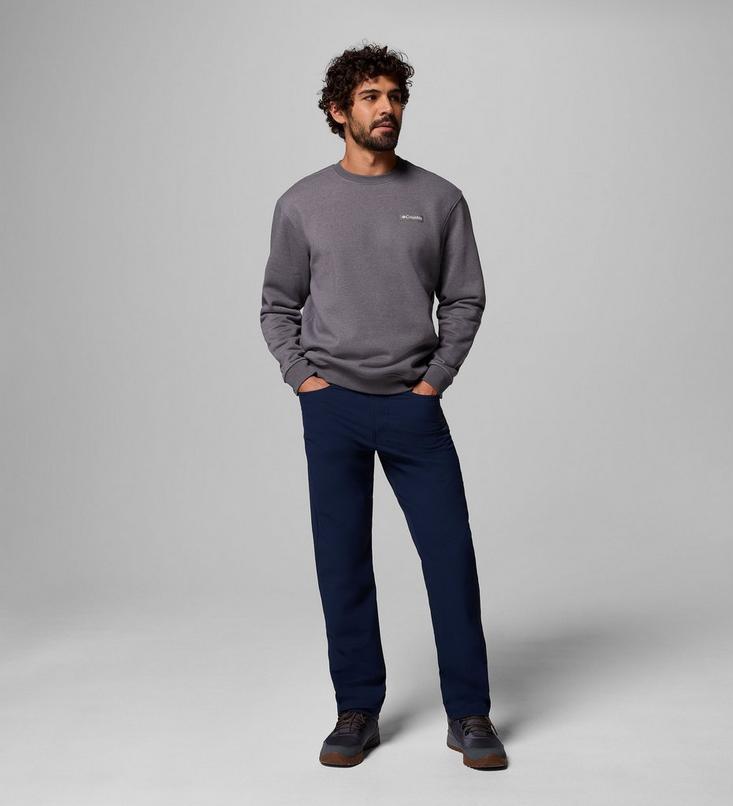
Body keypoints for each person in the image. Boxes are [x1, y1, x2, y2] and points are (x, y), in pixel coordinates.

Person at [260, 43, 507, 771]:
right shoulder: (301, 203)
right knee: (342, 564)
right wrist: (302, 379)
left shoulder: (439, 199)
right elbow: (277, 305)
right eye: (371, 97)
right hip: (330, 405)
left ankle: (470, 714)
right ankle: (356, 709)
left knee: (450, 559)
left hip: (412, 406)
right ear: (338, 111)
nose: (387, 108)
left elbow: (464, 298)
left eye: (395, 96)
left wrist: (435, 381)